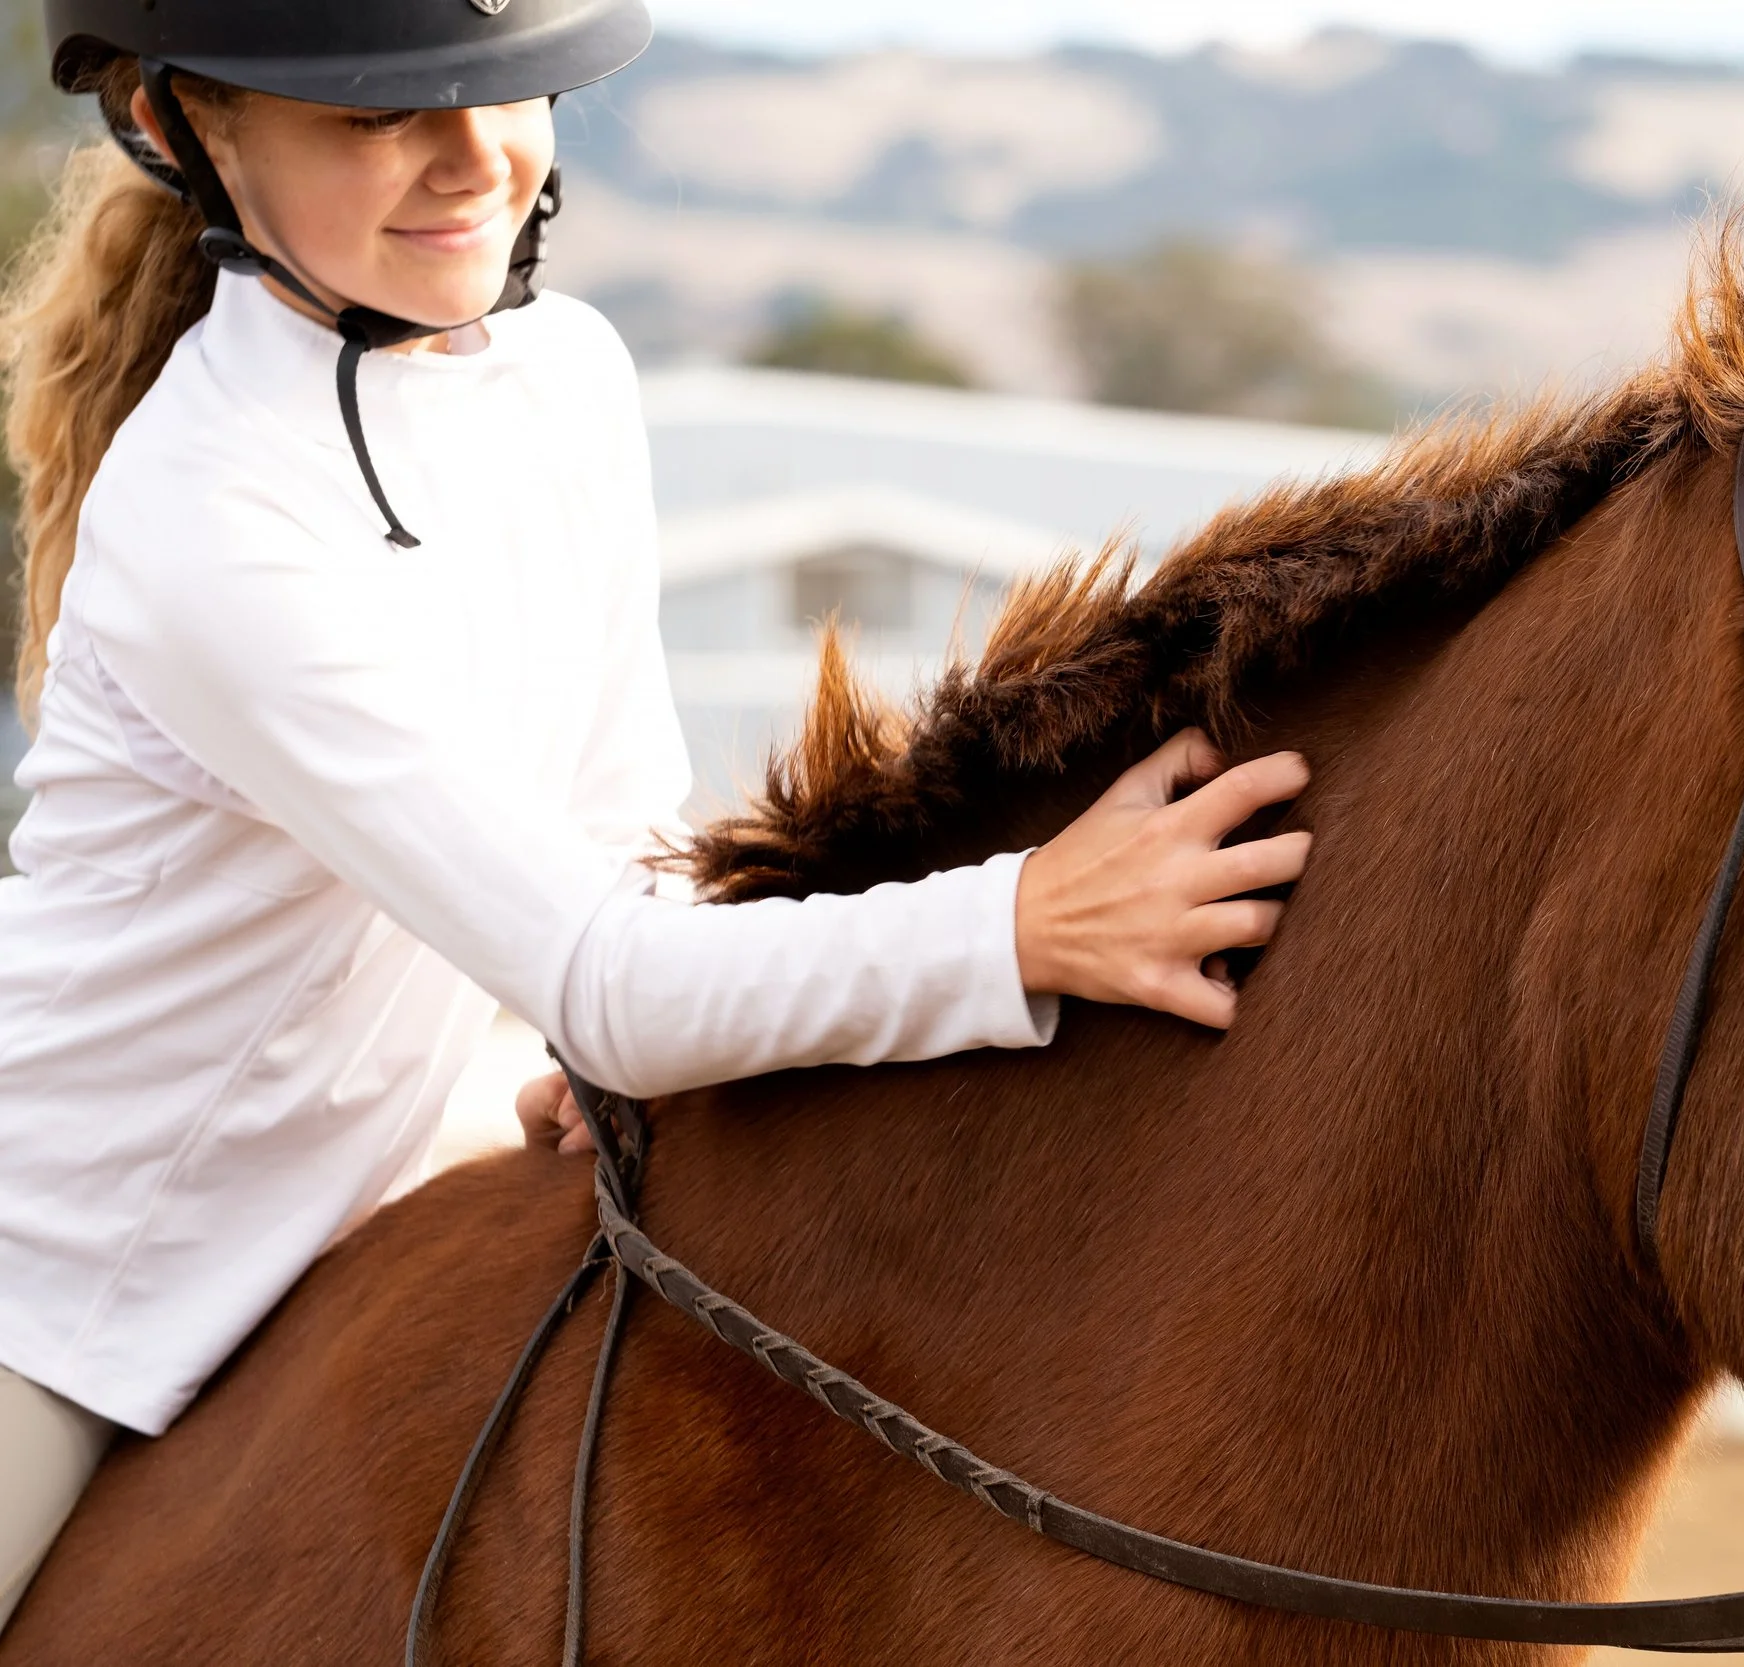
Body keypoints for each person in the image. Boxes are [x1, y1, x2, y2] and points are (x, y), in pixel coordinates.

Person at [0, 0, 1311, 1632]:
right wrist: (1024, 920)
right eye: (375, 117)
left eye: (508, 91)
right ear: (183, 129)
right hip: (54, 1297)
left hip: (348, 1214)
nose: (472, 159)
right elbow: (612, 980)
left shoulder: (566, 378)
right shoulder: (206, 517)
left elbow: (622, 849)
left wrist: (612, 1039)